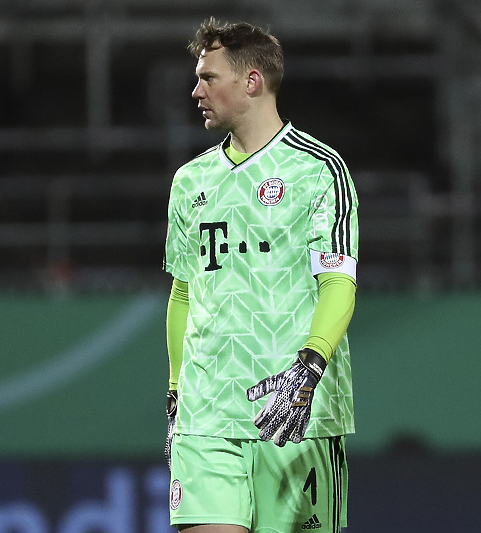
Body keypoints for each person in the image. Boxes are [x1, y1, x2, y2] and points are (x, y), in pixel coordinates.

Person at [163, 19, 358, 533]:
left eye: (209, 78)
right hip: (207, 416)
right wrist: (176, 392)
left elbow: (338, 283)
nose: (196, 90)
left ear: (251, 81)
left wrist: (310, 366)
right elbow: (184, 291)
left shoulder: (320, 171)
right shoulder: (190, 181)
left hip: (296, 411)